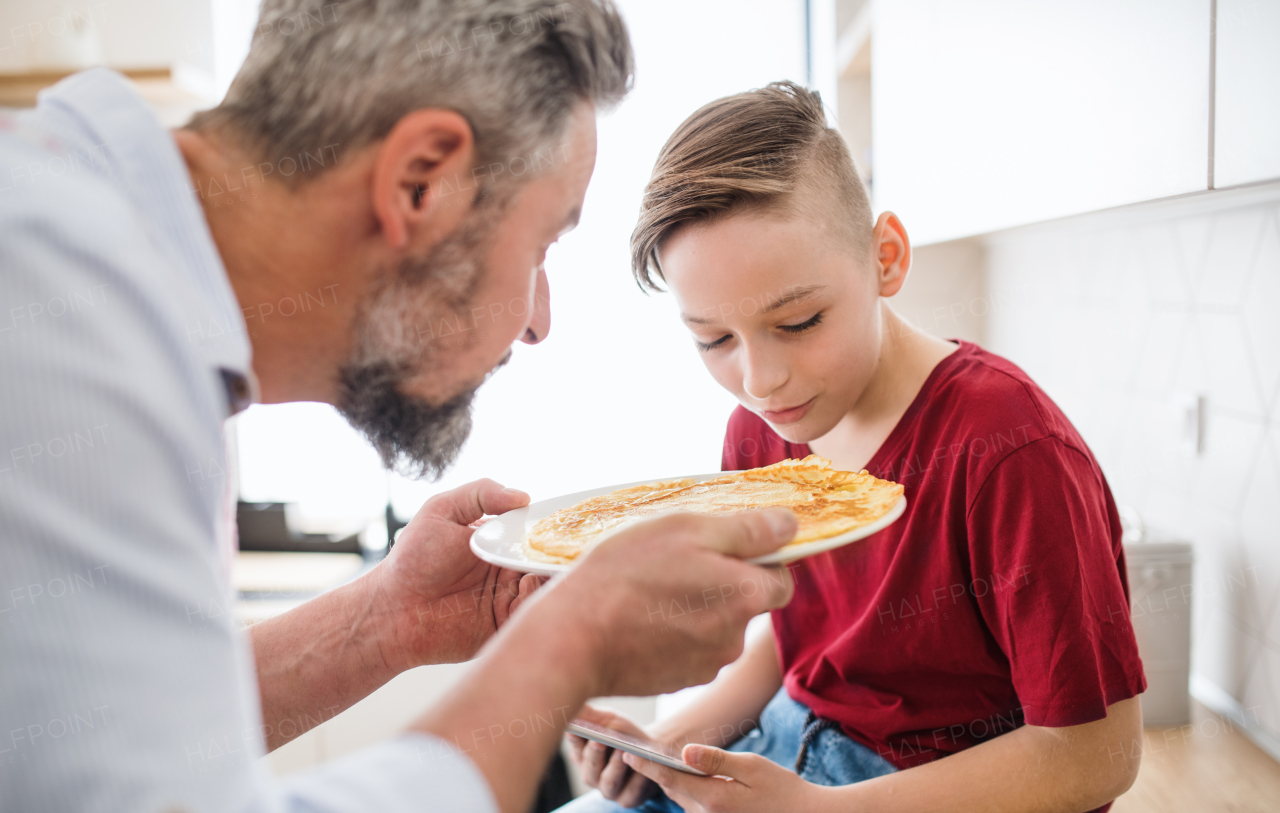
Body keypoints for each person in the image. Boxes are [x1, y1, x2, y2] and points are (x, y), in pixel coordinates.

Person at [0, 3, 798, 812]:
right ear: (422, 181)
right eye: (543, 246)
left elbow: (121, 727)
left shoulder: (98, 268)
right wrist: (569, 645)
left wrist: (393, 618)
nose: (539, 321)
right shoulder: (56, 317)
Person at [561, 82, 1147, 813]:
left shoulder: (1009, 449)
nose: (759, 378)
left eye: (800, 320)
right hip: (785, 748)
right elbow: (797, 638)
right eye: (713, 338)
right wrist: (674, 740)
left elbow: (1099, 752)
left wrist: (817, 808)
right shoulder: (764, 426)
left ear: (886, 259)